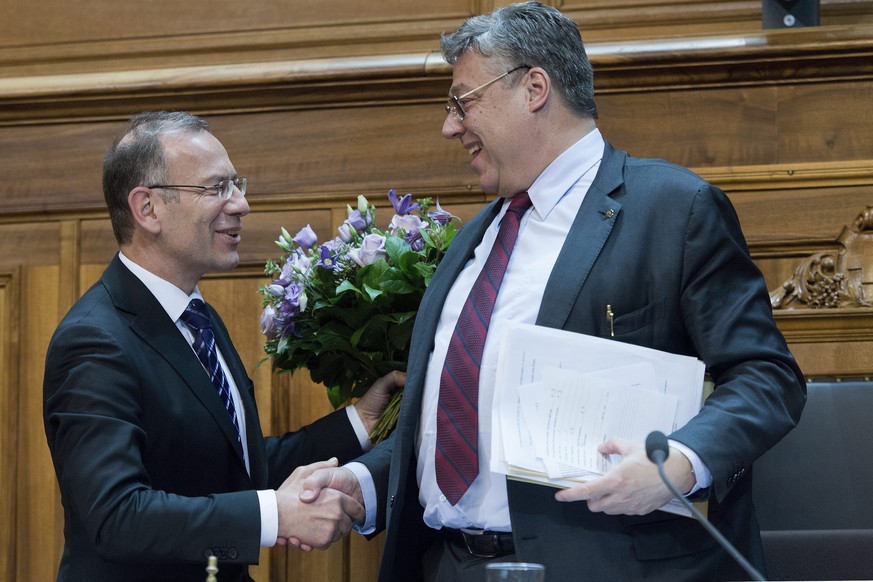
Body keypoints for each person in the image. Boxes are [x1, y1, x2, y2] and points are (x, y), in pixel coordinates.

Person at [298, 2, 807, 581]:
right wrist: (366, 483)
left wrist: (681, 462)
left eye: (463, 101)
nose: (450, 125)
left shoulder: (673, 209)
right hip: (447, 566)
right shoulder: (475, 238)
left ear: (534, 88)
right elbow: (464, 424)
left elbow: (768, 378)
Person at [42, 110, 404, 582]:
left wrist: (361, 421)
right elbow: (116, 516)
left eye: (238, 185)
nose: (240, 205)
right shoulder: (93, 340)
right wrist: (274, 515)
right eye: (216, 189)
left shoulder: (199, 317)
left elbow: (229, 466)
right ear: (147, 208)